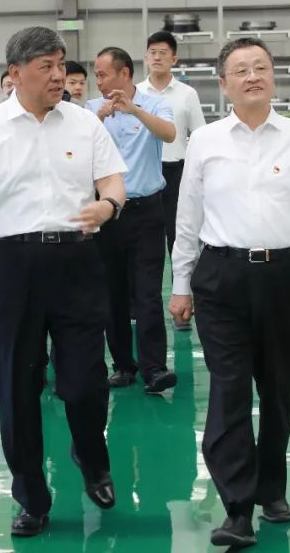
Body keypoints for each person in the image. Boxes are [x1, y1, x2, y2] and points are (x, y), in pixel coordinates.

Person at [0, 26, 127, 537]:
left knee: (85, 381)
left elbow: (113, 180)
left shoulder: (84, 124)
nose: (58, 75)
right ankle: (31, 497)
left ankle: (92, 457)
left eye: (61, 65)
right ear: (15, 73)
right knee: (18, 386)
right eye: (46, 66)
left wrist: (109, 205)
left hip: (77, 261)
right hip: (14, 266)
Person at [168, 38, 290, 547]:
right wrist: (181, 284)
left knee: (278, 385)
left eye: (261, 67)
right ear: (223, 84)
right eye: (241, 70)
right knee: (229, 389)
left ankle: (272, 489)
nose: (253, 76)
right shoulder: (205, 142)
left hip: (285, 275)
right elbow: (188, 218)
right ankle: (237, 507)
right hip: (220, 276)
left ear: (273, 76)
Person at [88, 46, 178, 394]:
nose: (98, 81)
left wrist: (134, 110)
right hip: (108, 213)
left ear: (124, 73)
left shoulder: (154, 104)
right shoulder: (91, 110)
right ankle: (123, 366)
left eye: (103, 74)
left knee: (148, 293)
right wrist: (100, 117)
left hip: (146, 212)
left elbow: (169, 134)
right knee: (112, 293)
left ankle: (154, 368)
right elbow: (77, 146)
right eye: (96, 75)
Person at [136, 31, 207, 264]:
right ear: (146, 58)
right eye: (153, 53)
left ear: (173, 59)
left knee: (179, 238)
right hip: (144, 173)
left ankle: (183, 285)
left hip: (178, 173)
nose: (157, 57)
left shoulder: (187, 94)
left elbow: (199, 136)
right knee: (146, 241)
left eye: (163, 53)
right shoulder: (135, 94)